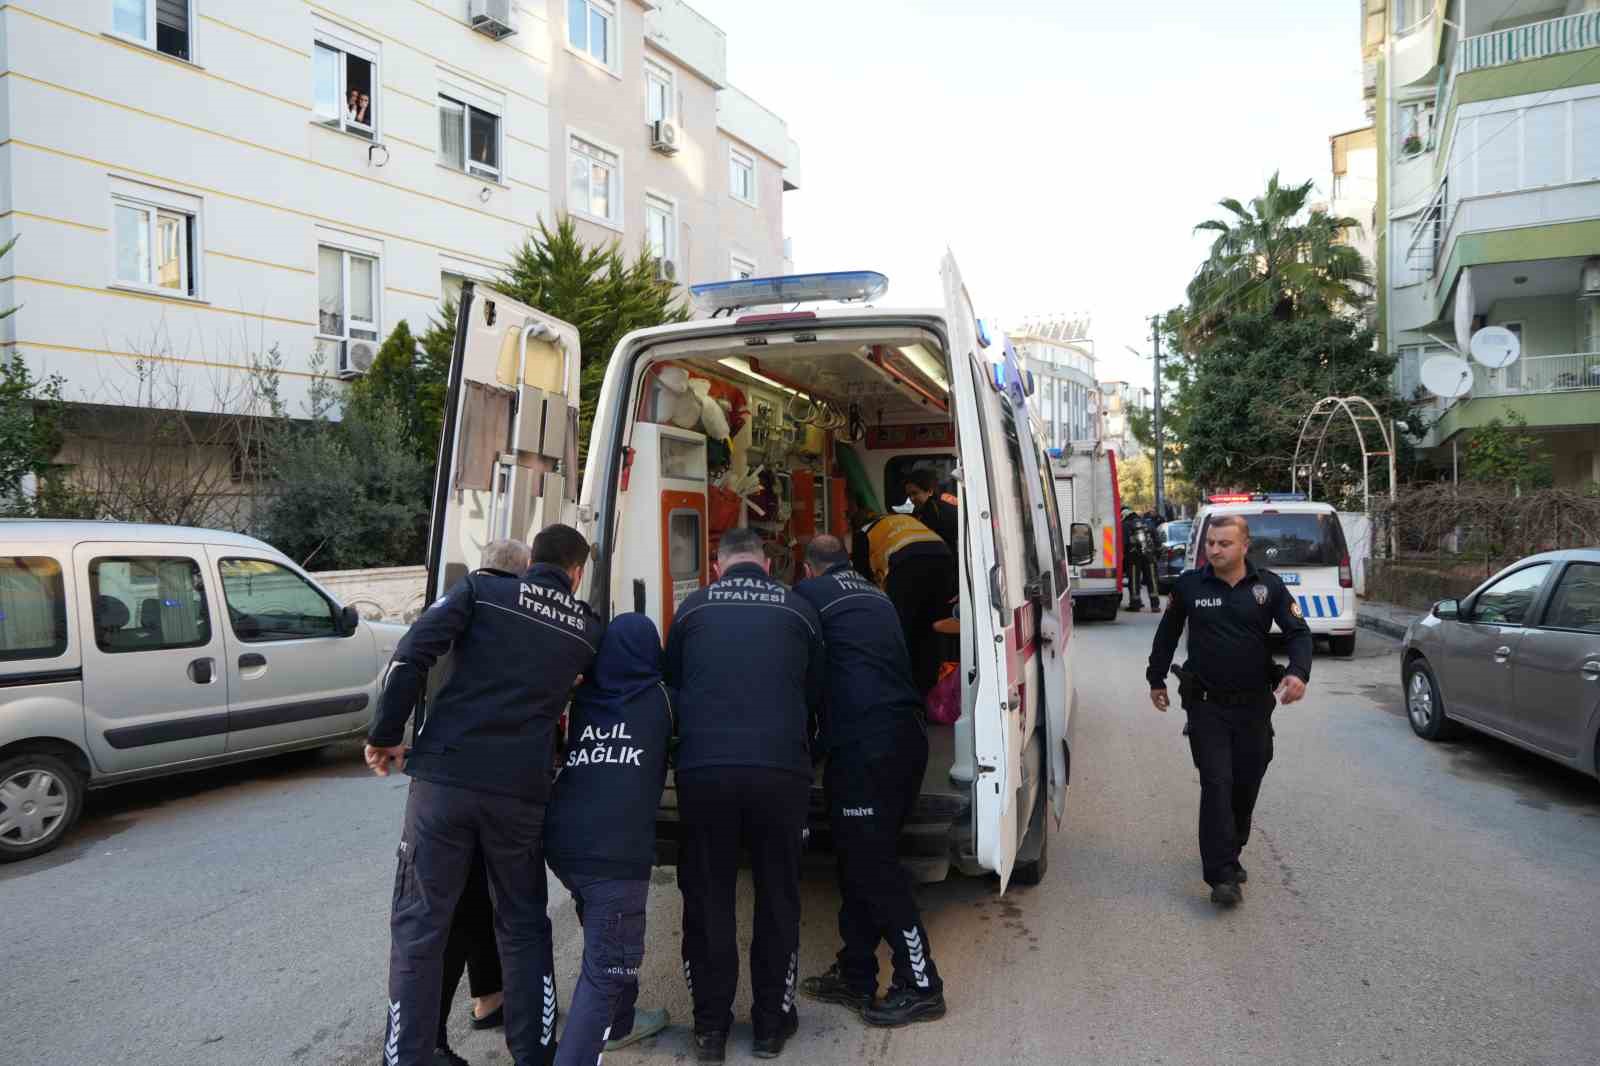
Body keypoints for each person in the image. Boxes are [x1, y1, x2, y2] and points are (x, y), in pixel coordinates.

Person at [367, 526, 602, 1066]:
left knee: (420, 924)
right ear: (576, 574)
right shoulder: (586, 628)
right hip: (520, 792)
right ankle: (534, 1053)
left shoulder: (480, 593)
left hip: (446, 783)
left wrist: (384, 736)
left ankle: (407, 1057)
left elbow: (410, 658)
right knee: (522, 924)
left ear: (531, 563)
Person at [666, 527, 825, 1062]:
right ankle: (769, 1027)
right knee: (777, 896)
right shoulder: (798, 608)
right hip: (780, 772)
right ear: (766, 563)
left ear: (718, 565)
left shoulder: (691, 610)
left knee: (708, 897)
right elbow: (817, 691)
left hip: (704, 771)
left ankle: (710, 1029)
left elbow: (674, 685)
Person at [794, 535, 946, 1027]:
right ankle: (856, 972)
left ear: (809, 568)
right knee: (858, 860)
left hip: (867, 749)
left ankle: (922, 985)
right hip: (905, 740)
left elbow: (797, 668)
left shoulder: (811, 596)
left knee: (873, 866)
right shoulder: (876, 595)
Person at [1145, 514, 1311, 908]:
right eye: (1210, 544)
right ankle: (1220, 875)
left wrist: (1298, 673)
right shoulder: (1190, 586)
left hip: (1255, 706)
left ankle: (1231, 848)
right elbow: (1167, 634)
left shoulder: (1267, 586)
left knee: (1245, 783)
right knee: (1216, 783)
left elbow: (1298, 633)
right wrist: (1156, 680)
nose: (1215, 550)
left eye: (1224, 544)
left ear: (1244, 546)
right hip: (1207, 706)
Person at [544, 613, 674, 1066]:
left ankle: (621, 1022)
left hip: (563, 841)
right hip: (614, 852)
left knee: (607, 932)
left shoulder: (585, 697)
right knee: (607, 965)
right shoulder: (662, 698)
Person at [429, 541, 532, 1063]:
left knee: (473, 900)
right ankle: (430, 1039)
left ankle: (489, 998)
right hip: (481, 784)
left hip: (442, 783)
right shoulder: (505, 623)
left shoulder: (452, 613)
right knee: (464, 909)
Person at [851, 510, 956, 694]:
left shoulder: (863, 533)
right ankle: (932, 689)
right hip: (943, 559)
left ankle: (901, 689)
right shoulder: (903, 521)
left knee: (901, 628)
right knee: (932, 627)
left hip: (907, 564)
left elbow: (861, 577)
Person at [902, 469, 959, 555]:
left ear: (930, 491)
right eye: (909, 495)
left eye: (915, 493)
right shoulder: (920, 511)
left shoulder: (941, 512)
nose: (911, 499)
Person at [1123, 507, 1159, 613]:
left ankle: (1135, 604)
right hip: (1149, 556)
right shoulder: (1149, 523)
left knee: (1134, 580)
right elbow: (1156, 539)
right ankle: (1155, 605)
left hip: (1134, 557)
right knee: (1152, 580)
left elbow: (1124, 543)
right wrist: (1156, 553)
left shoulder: (1125, 525)